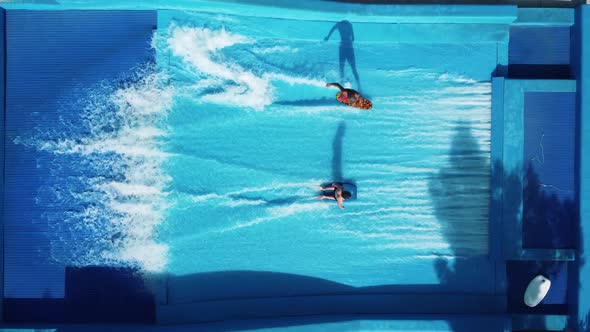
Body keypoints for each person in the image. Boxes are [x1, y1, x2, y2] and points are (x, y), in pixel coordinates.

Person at [323, 20, 360, 90]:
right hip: (349, 47)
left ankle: (342, 88)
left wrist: (327, 37)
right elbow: (353, 38)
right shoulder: (349, 24)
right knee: (353, 68)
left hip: (342, 47)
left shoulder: (338, 24)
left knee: (341, 68)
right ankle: (359, 88)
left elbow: (332, 31)